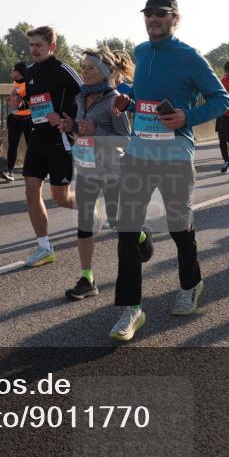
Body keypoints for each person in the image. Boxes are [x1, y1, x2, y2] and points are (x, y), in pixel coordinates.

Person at [109, 0, 229, 342]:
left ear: (175, 18)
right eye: (148, 13)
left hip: (175, 155)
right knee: (126, 228)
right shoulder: (141, 51)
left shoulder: (190, 56)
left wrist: (186, 117)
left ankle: (191, 284)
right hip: (138, 153)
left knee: (179, 227)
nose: (153, 19)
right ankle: (131, 309)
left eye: (160, 13)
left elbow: (222, 99)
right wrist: (129, 99)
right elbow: (144, 92)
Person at [57, 47, 153, 300]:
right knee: (84, 224)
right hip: (86, 167)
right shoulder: (81, 98)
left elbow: (125, 140)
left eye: (90, 68)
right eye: (84, 67)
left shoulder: (114, 100)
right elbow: (82, 131)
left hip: (112, 170)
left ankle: (142, 235)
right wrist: (71, 126)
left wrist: (95, 132)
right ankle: (87, 278)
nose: (84, 71)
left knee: (117, 222)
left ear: (104, 72)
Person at [16, 25, 83, 267]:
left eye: (39, 45)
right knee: (31, 190)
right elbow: (36, 101)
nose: (34, 49)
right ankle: (44, 247)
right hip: (37, 137)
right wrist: (20, 103)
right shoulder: (29, 71)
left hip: (59, 139)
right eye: (31, 45)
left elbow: (86, 96)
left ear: (51, 46)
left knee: (60, 198)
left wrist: (70, 121)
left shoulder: (63, 70)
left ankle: (90, 206)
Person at [0, 62, 32, 182]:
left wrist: (20, 102)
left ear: (19, 72)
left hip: (28, 119)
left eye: (13, 69)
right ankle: (10, 172)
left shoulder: (29, 83)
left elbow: (31, 102)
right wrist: (10, 100)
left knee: (32, 147)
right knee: (12, 146)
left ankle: (38, 170)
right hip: (15, 119)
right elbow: (13, 101)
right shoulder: (15, 82)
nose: (11, 71)